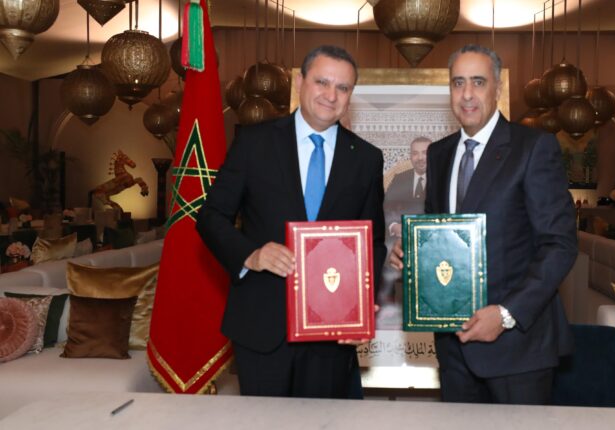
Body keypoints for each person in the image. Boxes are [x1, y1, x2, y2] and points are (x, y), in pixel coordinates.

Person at [390, 44, 577, 404]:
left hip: (517, 348)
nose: (467, 94)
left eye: (478, 82)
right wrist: (414, 252)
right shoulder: (439, 153)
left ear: (497, 89)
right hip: (453, 346)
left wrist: (506, 315)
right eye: (458, 82)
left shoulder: (534, 148)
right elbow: (442, 233)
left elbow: (560, 245)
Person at [196, 45, 386, 399]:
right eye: (322, 82)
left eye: (343, 87)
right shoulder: (253, 142)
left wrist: (360, 307)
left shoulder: (366, 159)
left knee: (325, 422)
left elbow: (372, 242)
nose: (331, 95)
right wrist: (251, 254)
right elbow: (210, 217)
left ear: (351, 95)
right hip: (262, 326)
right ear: (300, 82)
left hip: (331, 332)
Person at [378, 136, 431, 307]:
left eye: (424, 153)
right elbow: (386, 209)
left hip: (432, 243)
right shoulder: (400, 178)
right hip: (399, 244)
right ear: (410, 156)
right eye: (415, 153)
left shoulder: (442, 177)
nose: (420, 157)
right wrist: (394, 226)